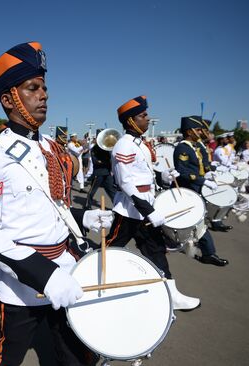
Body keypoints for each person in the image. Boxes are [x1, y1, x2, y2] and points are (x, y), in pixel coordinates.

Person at [0, 41, 113, 366]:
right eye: (32, 88)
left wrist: (83, 216)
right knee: (7, 357)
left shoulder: (52, 146)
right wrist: (45, 276)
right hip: (20, 287)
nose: (44, 94)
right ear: (8, 99)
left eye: (44, 87)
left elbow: (53, 204)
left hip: (67, 272)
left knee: (77, 358)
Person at [105, 96, 200, 310]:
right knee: (111, 247)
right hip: (130, 210)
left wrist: (162, 177)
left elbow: (143, 176)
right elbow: (126, 183)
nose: (147, 119)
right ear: (130, 120)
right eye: (143, 115)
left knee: (156, 249)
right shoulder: (123, 146)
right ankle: (95, 280)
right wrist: (149, 211)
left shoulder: (141, 145)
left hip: (145, 209)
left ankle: (171, 294)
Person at [173, 116, 229, 266]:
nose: (200, 132)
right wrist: (203, 180)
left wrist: (211, 171)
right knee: (197, 222)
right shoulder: (182, 148)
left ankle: (207, 252)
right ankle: (208, 253)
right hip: (188, 190)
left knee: (197, 221)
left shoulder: (194, 146)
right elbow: (183, 172)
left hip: (196, 189)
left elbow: (201, 166)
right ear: (189, 131)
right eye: (197, 129)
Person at [84, 141, 115, 209]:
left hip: (107, 173)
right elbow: (96, 162)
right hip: (98, 173)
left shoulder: (106, 149)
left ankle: (117, 206)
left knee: (111, 191)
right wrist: (105, 162)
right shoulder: (94, 149)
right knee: (92, 191)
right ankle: (87, 205)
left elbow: (110, 159)